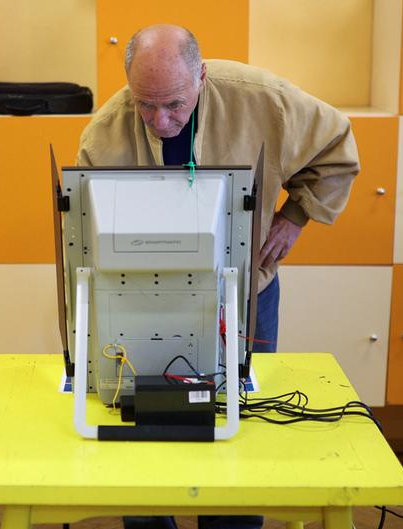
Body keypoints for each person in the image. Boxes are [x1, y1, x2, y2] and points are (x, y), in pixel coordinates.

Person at [76, 24, 360, 529]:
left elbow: (336, 146)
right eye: (145, 105)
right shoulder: (104, 134)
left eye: (174, 105)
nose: (160, 121)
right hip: (140, 303)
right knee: (140, 427)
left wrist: (295, 217)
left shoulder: (264, 100)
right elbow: (84, 234)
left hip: (243, 291)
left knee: (238, 427)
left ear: (201, 76)